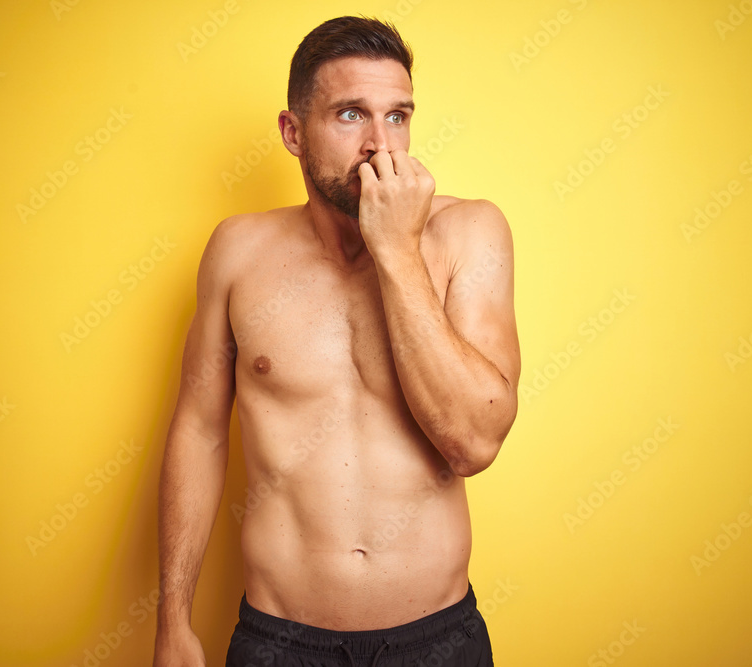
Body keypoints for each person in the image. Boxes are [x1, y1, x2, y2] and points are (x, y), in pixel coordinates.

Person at [153, 14, 519, 667]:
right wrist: (172, 618)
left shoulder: (470, 234)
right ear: (293, 133)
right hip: (278, 640)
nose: (382, 145)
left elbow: (473, 440)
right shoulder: (238, 252)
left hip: (436, 640)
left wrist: (397, 252)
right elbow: (200, 429)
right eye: (351, 115)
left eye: (398, 115)